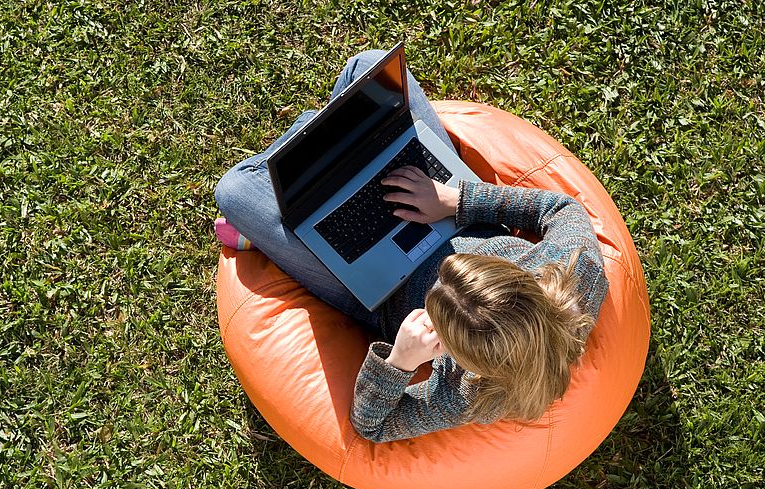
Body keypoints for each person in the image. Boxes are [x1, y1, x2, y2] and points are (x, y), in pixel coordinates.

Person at [215, 50, 609, 443]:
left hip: (379, 291)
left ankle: (308, 174)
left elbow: (373, 425)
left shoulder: (469, 394)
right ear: (515, 275)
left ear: (459, 354)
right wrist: (457, 201)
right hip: (450, 215)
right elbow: (562, 207)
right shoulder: (577, 275)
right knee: (368, 66)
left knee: (234, 190)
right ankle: (316, 163)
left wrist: (400, 360)